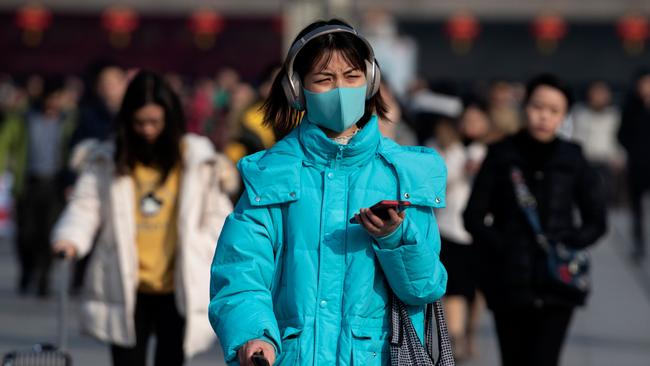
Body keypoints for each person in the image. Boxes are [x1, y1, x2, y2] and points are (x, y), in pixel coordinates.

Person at [209, 19, 448, 366]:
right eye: (324, 79)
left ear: (370, 82)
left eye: (352, 77)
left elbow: (424, 288)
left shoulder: (404, 174)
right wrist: (253, 335)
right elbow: (241, 271)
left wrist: (396, 238)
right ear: (297, 89)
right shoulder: (270, 173)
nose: (341, 89)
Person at [51, 71, 236, 366]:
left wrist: (216, 252)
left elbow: (218, 215)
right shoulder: (109, 158)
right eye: (140, 123)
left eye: (155, 122)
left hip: (179, 283)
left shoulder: (196, 160)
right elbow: (87, 205)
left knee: (171, 358)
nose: (148, 130)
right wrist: (70, 238)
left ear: (170, 119)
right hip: (126, 281)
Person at [463, 74, 607, 366]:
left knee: (545, 359)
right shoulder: (502, 154)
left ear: (564, 116)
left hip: (557, 285)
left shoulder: (572, 157)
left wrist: (567, 242)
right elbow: (473, 216)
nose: (544, 116)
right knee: (513, 359)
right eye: (538, 106)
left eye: (554, 111)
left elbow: (597, 220)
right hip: (509, 281)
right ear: (525, 107)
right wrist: (504, 247)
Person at [0, 76, 76, 297]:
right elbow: (5, 144)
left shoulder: (68, 121)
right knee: (26, 233)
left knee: (49, 233)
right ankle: (27, 269)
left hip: (54, 184)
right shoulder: (24, 119)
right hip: (28, 183)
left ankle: (44, 278)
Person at [429, 118, 475, 361]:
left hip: (462, 229)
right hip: (446, 227)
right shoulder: (434, 150)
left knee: (460, 289)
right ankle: (456, 337)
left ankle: (461, 336)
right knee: (454, 288)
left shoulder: (462, 152)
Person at [572, 81, 625, 206]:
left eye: (602, 94)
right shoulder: (579, 113)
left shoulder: (614, 115)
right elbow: (573, 136)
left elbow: (617, 139)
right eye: (596, 93)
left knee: (606, 198)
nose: (599, 97)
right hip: (585, 160)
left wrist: (619, 157)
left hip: (607, 162)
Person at [618, 69, 650, 261]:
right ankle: (638, 244)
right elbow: (621, 134)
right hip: (637, 165)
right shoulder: (630, 107)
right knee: (636, 209)